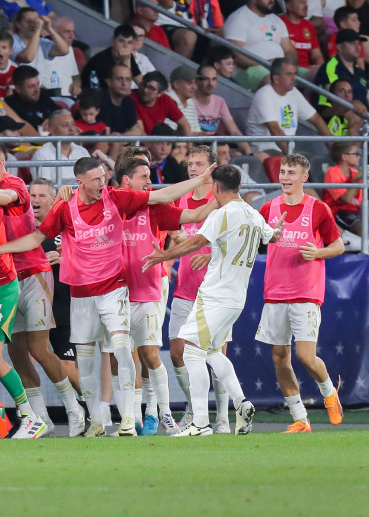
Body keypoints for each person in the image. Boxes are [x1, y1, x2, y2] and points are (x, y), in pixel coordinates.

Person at [0, 156, 217, 437]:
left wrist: (201, 180)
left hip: (114, 289)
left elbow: (162, 195)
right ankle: (96, 421)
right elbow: (36, 238)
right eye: (96, 179)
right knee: (85, 362)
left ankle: (128, 421)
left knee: (122, 350)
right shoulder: (65, 208)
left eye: (104, 177)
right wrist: (1, 250)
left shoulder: (116, 198)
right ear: (80, 182)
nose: (102, 183)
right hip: (81, 295)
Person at [143, 164, 284, 437]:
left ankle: (199, 423)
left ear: (216, 188)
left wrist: (164, 256)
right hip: (236, 298)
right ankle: (241, 402)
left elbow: (197, 242)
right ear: (239, 186)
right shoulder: (253, 215)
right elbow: (271, 236)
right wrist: (275, 231)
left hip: (215, 295)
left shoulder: (222, 213)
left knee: (191, 352)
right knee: (210, 352)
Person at [0, 139, 85, 437]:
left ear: (1, 162)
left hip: (35, 273)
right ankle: (40, 419)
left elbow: (4, 197)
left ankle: (74, 409)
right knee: (16, 354)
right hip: (7, 278)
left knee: (40, 349)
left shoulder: (13, 184)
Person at [115, 154, 217, 436]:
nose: (150, 182)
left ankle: (162, 413)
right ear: (126, 180)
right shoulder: (112, 200)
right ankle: (130, 417)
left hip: (148, 288)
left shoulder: (156, 207)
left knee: (149, 353)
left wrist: (222, 195)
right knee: (121, 354)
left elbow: (194, 216)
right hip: (114, 292)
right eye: (144, 177)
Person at [254, 152, 345, 433]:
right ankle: (300, 419)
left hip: (306, 292)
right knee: (280, 358)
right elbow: (256, 240)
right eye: (282, 172)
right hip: (275, 293)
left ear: (305, 177)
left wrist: (318, 252)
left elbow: (339, 246)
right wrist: (268, 236)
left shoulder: (318, 209)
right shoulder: (268, 208)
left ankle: (330, 393)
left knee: (306, 356)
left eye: (291, 173)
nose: (285, 178)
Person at [168, 145, 229, 432]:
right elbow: (174, 237)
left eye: (199, 163)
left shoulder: (222, 200)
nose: (193, 168)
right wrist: (167, 261)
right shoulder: (180, 200)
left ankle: (224, 418)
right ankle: (195, 409)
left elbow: (233, 243)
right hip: (184, 288)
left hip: (215, 291)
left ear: (212, 168)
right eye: (190, 163)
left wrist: (210, 251)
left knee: (216, 355)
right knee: (177, 353)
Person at [30, 178, 79, 391]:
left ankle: (90, 410)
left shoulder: (65, 224)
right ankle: (31, 415)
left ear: (52, 199)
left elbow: (88, 255)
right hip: (30, 304)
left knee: (67, 365)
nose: (36, 200)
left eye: (41, 196)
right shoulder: (23, 227)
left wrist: (66, 258)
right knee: (26, 362)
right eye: (32, 195)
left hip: (62, 305)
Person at [323, 142, 369, 252]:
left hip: (356, 213)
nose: (359, 156)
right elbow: (347, 200)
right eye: (356, 154)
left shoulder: (355, 172)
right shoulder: (333, 171)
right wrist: (357, 180)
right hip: (339, 212)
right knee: (365, 228)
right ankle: (367, 262)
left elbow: (358, 203)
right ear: (344, 156)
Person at [246, 58, 331, 154]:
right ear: (276, 79)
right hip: (266, 150)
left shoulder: (293, 92)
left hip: (286, 150)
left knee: (316, 160)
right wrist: (292, 156)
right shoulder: (264, 94)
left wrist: (333, 146)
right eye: (289, 74)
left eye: (295, 74)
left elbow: (316, 119)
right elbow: (275, 129)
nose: (294, 78)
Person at [224, 0, 296, 90]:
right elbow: (236, 54)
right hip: (249, 69)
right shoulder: (239, 18)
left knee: (314, 74)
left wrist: (288, 65)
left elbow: (289, 49)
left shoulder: (276, 20)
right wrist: (267, 63)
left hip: (279, 68)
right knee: (274, 81)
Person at [193, 64, 253, 155]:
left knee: (238, 155)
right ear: (197, 81)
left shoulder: (219, 101)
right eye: (206, 79)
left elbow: (234, 131)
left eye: (214, 79)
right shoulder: (189, 101)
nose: (211, 84)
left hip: (216, 145)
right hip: (197, 145)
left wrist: (248, 150)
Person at [10, 7, 68, 89]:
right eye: (28, 21)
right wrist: (37, 30)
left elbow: (64, 51)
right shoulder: (12, 41)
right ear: (18, 24)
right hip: (19, 90)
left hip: (36, 90)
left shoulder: (40, 42)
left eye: (35, 21)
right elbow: (28, 58)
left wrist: (49, 28)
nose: (33, 24)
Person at [31, 109, 89, 183]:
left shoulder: (82, 151)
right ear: (52, 130)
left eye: (73, 124)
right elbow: (44, 190)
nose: (71, 129)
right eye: (65, 125)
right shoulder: (42, 154)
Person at [81, 24, 141, 91]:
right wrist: (126, 60)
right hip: (92, 96)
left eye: (129, 42)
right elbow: (121, 88)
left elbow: (140, 82)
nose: (125, 46)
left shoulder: (128, 56)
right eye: (121, 41)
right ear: (113, 41)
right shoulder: (100, 60)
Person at [131, 71, 190, 136]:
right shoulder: (130, 100)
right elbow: (140, 131)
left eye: (151, 88)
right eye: (143, 85)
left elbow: (185, 124)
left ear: (160, 93)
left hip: (157, 142)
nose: (145, 90)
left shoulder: (165, 100)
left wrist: (188, 145)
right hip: (138, 143)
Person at [4, 65, 59, 131]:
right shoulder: (9, 104)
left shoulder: (42, 96)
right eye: (31, 86)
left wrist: (51, 119)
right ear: (18, 88)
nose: (37, 90)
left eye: (37, 84)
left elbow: (61, 112)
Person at [47, 16, 81, 97]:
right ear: (54, 32)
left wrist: (76, 84)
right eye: (67, 32)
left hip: (71, 97)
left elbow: (75, 76)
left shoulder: (70, 49)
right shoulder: (43, 47)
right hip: (51, 96)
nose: (72, 37)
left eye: (73, 32)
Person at [165, 65, 200, 133]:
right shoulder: (167, 100)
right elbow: (171, 133)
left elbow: (197, 130)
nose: (194, 87)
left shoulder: (190, 101)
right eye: (189, 83)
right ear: (176, 84)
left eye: (195, 83)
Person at [0, 30, 17, 98]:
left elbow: (10, 94)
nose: (0, 50)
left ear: (11, 51)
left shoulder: (14, 69)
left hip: (7, 103)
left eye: (4, 47)